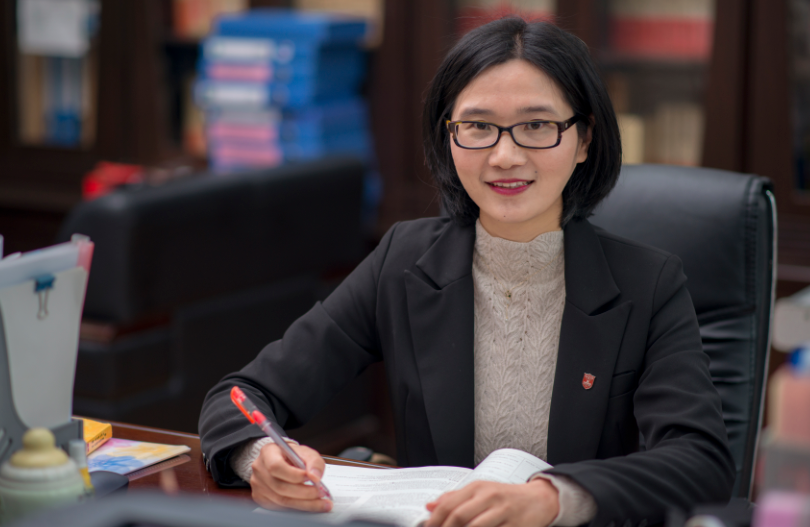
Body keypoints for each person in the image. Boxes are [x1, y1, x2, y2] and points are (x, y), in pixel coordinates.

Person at [199, 17, 735, 527]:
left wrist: (551, 499)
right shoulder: (403, 262)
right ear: (449, 136)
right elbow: (240, 396)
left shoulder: (648, 284)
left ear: (585, 140)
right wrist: (261, 457)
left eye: (536, 125)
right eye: (478, 126)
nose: (504, 156)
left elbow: (701, 459)